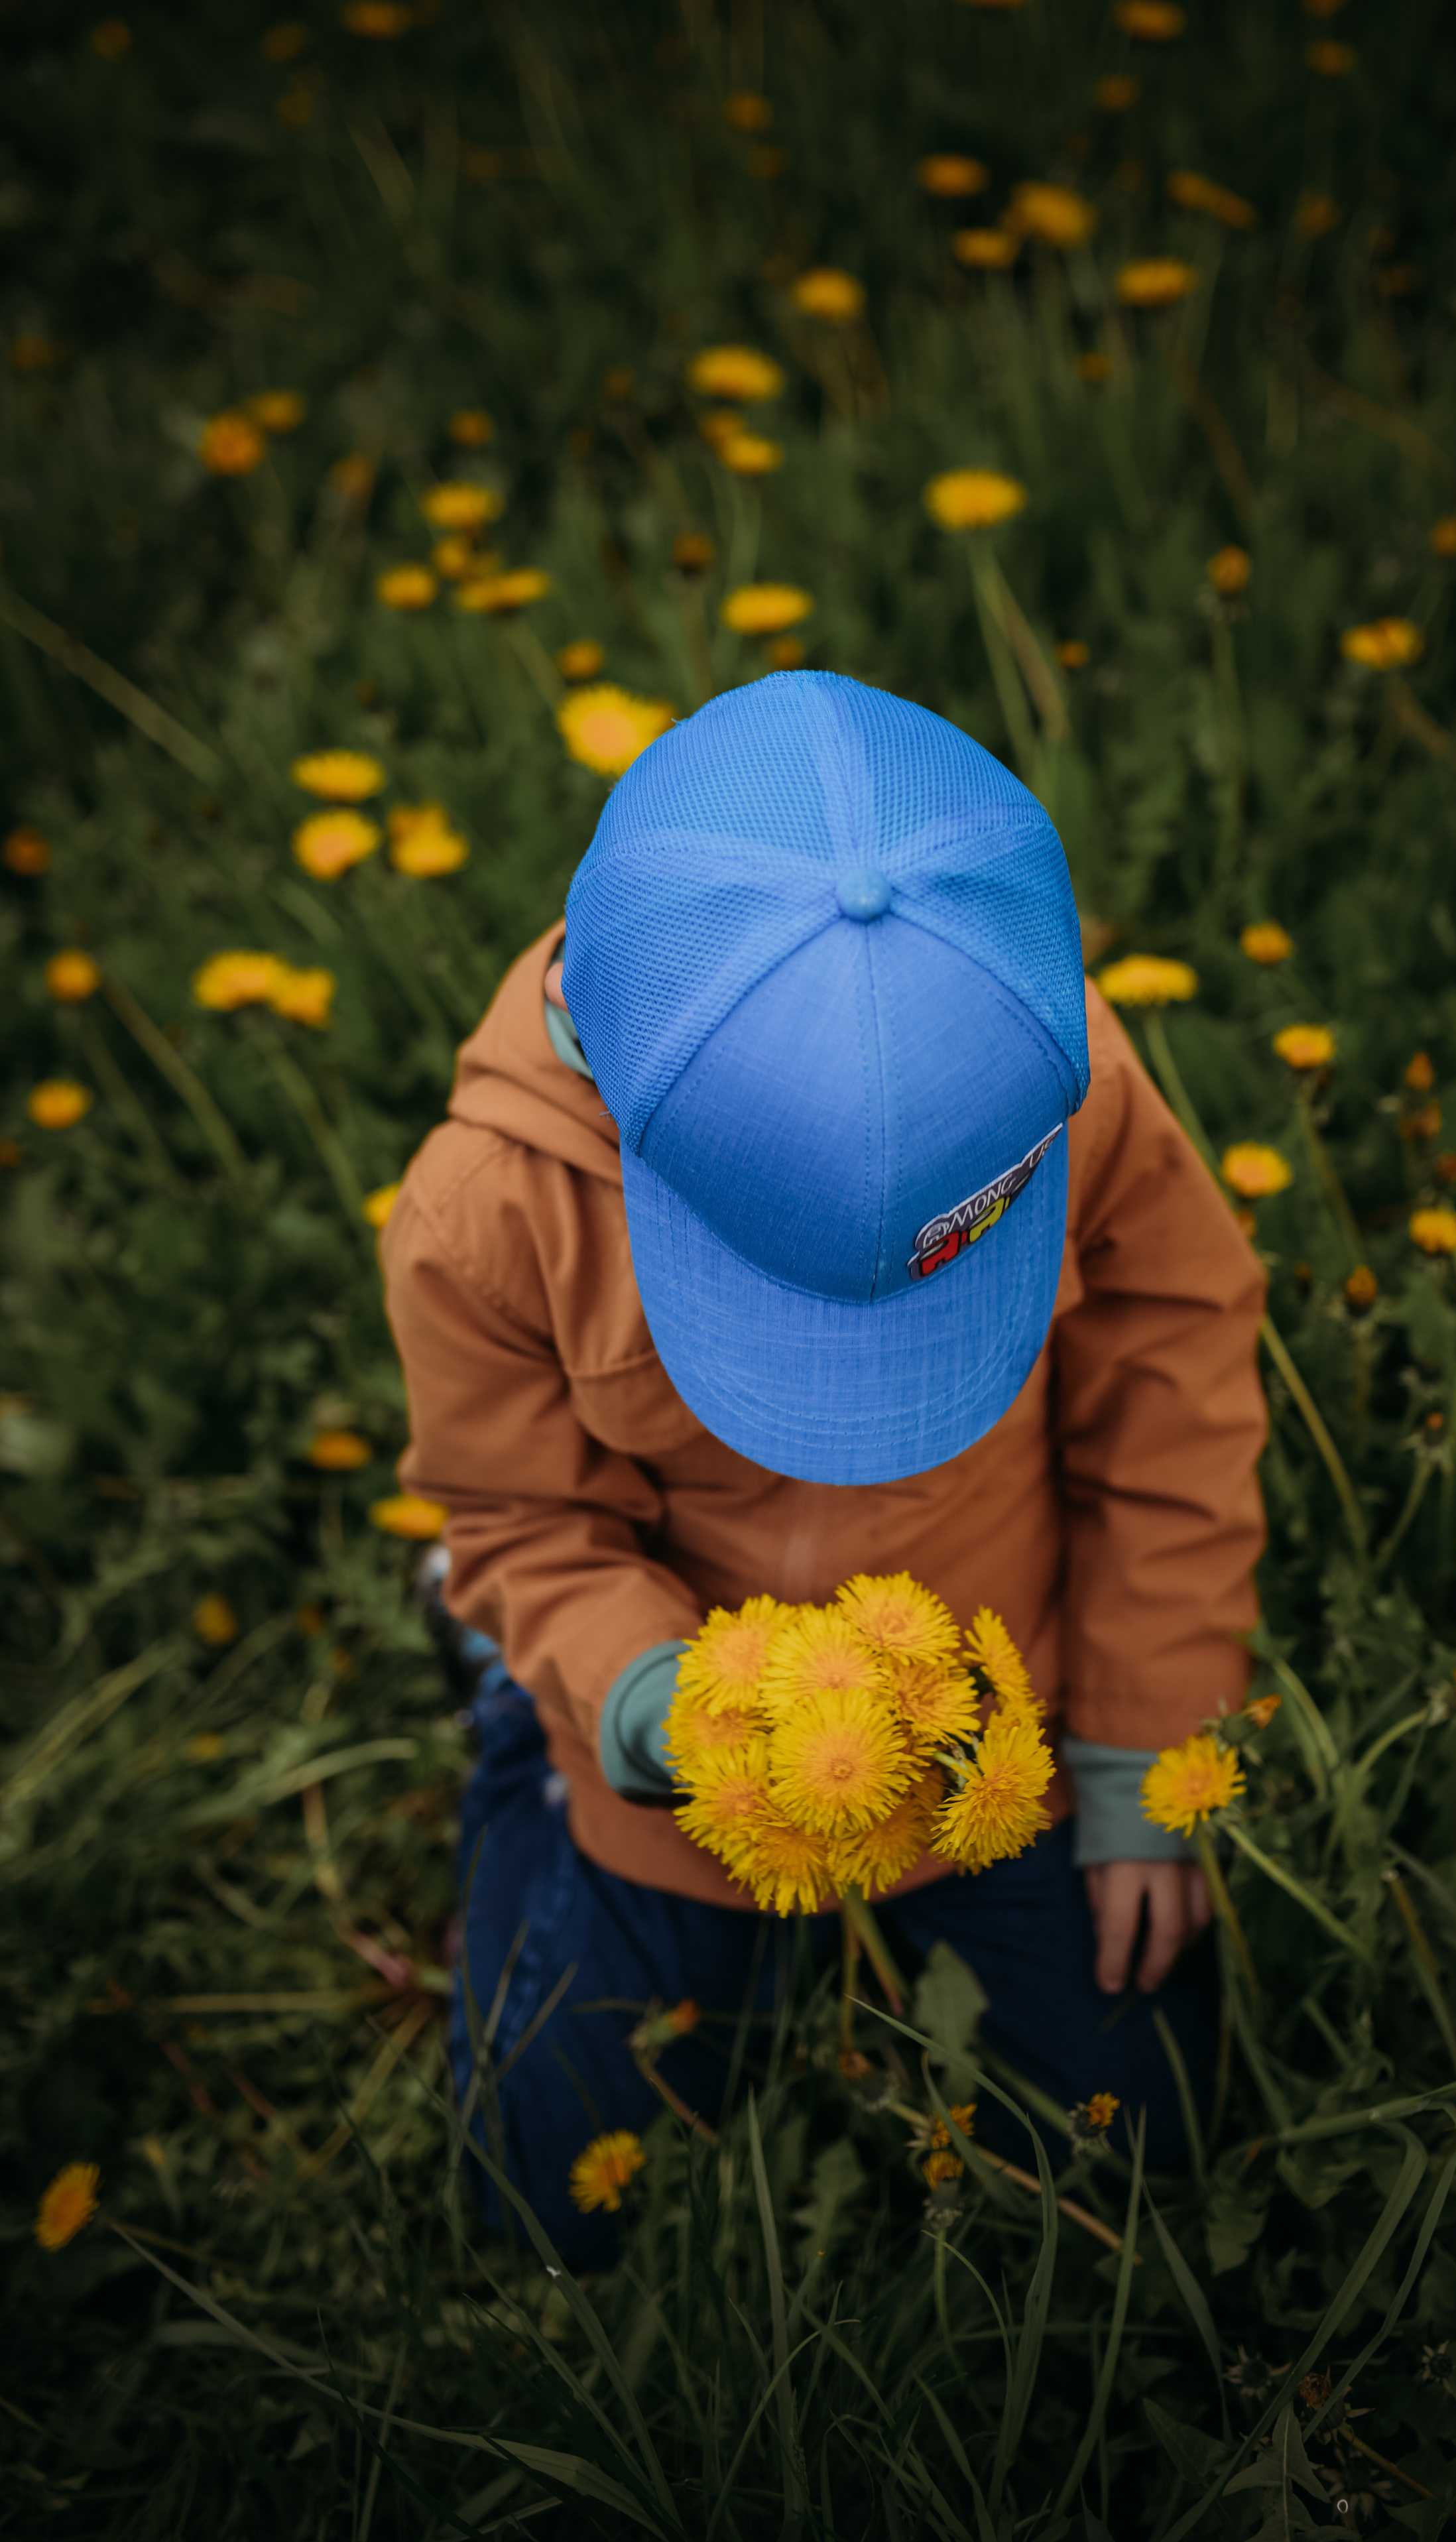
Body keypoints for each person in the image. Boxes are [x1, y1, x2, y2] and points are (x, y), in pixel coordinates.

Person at [380, 671, 1266, 2259]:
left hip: (997, 1723)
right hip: (674, 1735)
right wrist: (645, 1702)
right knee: (538, 2192)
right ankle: (521, 1718)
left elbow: (1172, 1387)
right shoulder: (482, 1216)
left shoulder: (1061, 1086)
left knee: (1146, 2143)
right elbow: (522, 1511)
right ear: (621, 1106)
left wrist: (1144, 1747)